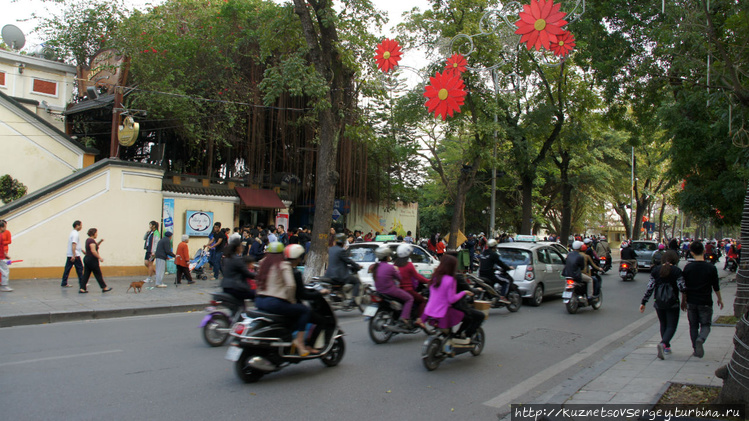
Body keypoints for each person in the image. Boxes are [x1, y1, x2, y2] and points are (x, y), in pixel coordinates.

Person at [254, 242, 315, 356]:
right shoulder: (283, 265)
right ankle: (299, 342)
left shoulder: (262, 264)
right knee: (304, 310)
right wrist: (291, 301)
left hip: (259, 301)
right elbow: (291, 286)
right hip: (274, 303)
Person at [639, 251, 686, 359]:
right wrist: (685, 299)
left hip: (659, 302)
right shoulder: (676, 271)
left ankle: (667, 347)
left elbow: (650, 287)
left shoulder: (655, 270)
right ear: (675, 260)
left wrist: (643, 302)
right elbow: (682, 287)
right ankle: (664, 343)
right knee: (672, 325)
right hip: (672, 302)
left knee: (663, 324)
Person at [681, 241, 723, 358]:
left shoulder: (688, 268)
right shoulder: (711, 268)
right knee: (705, 325)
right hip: (705, 302)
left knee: (693, 326)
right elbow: (716, 286)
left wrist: (683, 301)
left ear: (692, 252)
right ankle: (701, 338)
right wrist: (720, 299)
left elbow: (684, 287)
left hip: (691, 301)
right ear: (704, 251)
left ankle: (696, 348)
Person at [422, 254, 476, 345]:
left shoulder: (435, 277)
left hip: (429, 312)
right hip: (443, 312)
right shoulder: (451, 280)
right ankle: (458, 337)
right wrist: (464, 292)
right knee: (468, 316)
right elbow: (451, 299)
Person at [371, 245, 414, 329]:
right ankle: (404, 318)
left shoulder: (375, 267)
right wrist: (396, 270)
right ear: (387, 257)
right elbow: (399, 278)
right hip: (390, 291)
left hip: (379, 291)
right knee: (410, 299)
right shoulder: (391, 267)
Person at [393, 243, 429, 329]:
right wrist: (428, 281)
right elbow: (417, 277)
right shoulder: (409, 265)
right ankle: (419, 319)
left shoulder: (395, 264)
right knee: (422, 301)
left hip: (398, 290)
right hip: (408, 290)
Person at [324, 233, 361, 306]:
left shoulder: (331, 249)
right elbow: (348, 261)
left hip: (329, 274)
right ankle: (353, 300)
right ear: (343, 242)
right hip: (339, 276)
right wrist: (357, 266)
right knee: (356, 281)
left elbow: (338, 262)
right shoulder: (341, 251)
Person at [477, 239, 512, 304]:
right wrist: (508, 268)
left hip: (480, 274)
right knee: (506, 281)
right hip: (490, 275)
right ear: (495, 246)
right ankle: (502, 297)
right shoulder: (494, 255)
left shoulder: (483, 253)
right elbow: (501, 264)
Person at [79, 228, 112, 293]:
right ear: (93, 233)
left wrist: (100, 241)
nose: (97, 234)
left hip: (87, 259)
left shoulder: (88, 240)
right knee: (98, 274)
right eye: (96, 233)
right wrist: (100, 258)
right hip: (92, 260)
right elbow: (93, 251)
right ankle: (104, 287)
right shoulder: (91, 241)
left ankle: (82, 288)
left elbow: (95, 246)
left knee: (86, 274)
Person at [61, 220, 84, 288]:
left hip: (70, 254)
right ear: (77, 226)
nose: (81, 227)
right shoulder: (75, 234)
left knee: (67, 268)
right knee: (80, 268)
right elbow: (74, 244)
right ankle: (82, 282)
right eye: (81, 225)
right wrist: (74, 255)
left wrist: (81, 250)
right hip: (75, 255)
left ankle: (64, 282)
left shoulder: (72, 233)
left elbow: (75, 245)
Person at [0, 220, 12, 292]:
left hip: (2, 255)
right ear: (1, 227)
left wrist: (5, 254)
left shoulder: (1, 235)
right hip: (0, 257)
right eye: (5, 226)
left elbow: (2, 247)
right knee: (5, 270)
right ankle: (4, 286)